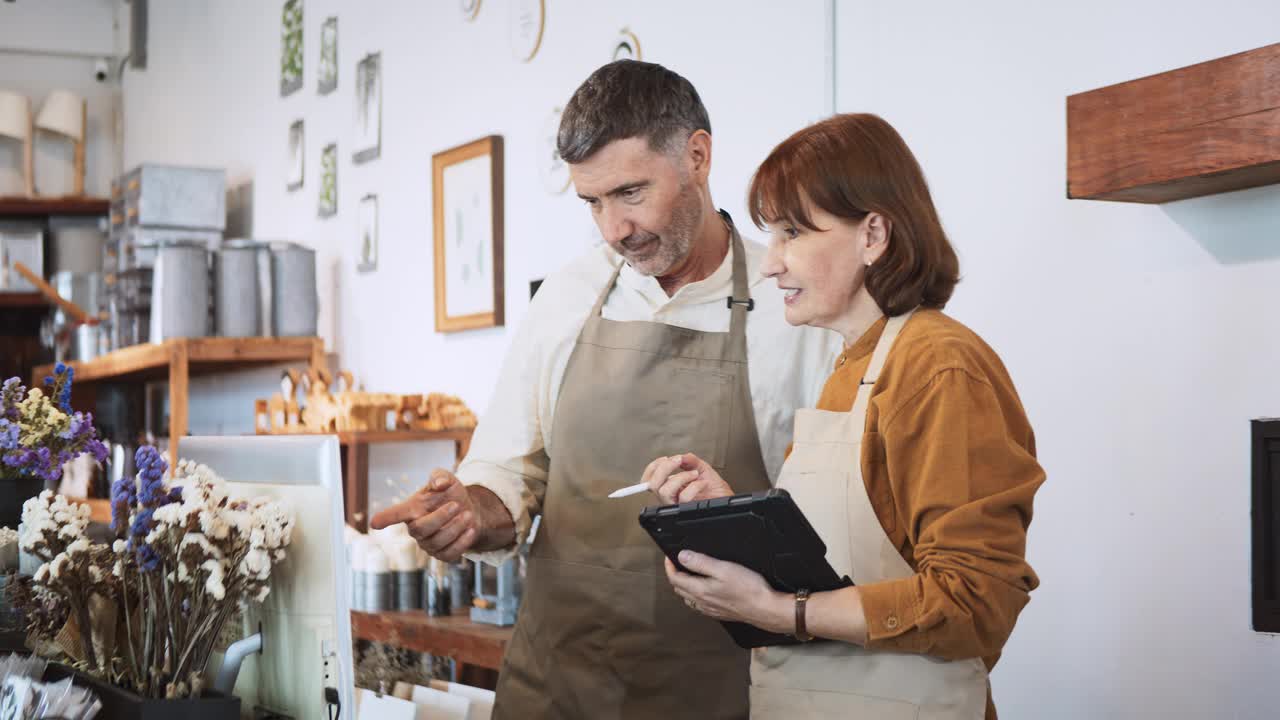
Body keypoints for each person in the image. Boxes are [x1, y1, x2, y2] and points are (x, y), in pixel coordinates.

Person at [370, 60, 839, 719]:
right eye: (592, 202)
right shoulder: (568, 295)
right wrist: (469, 514)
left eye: (630, 192)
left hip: (717, 688)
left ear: (698, 157)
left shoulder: (790, 306)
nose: (613, 228)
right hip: (559, 681)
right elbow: (507, 476)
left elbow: (832, 528)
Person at [644, 113, 1045, 719]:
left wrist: (783, 613)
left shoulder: (938, 365)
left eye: (792, 233)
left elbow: (975, 602)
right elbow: (849, 558)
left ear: (873, 235)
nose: (772, 262)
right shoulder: (848, 368)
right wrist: (735, 518)